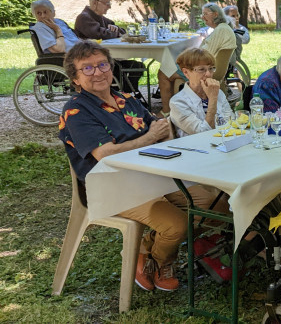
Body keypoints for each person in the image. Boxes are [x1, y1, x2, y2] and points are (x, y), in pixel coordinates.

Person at [58, 41, 227, 292]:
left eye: (102, 64)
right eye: (88, 69)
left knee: (218, 207)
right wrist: (148, 138)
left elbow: (163, 128)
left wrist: (164, 139)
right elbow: (104, 153)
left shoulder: (125, 99)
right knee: (177, 225)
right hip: (115, 185)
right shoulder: (76, 110)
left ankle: (146, 248)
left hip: (155, 174)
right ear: (75, 78)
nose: (98, 72)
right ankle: (162, 261)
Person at [157, 3, 236, 116]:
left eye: (205, 14)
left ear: (215, 14)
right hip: (210, 69)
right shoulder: (223, 28)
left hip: (204, 71)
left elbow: (205, 55)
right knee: (172, 70)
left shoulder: (221, 30)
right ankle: (177, 110)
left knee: (164, 72)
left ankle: (166, 111)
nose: (203, 17)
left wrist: (188, 55)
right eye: (202, 14)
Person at [74, 0, 144, 94]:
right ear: (95, 3)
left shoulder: (99, 17)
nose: (109, 7)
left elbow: (121, 31)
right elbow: (99, 34)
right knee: (132, 67)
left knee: (138, 66)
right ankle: (123, 95)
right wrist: (113, 32)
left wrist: (115, 30)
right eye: (107, 4)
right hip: (93, 60)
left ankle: (127, 95)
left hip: (106, 56)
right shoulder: (84, 18)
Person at [169, 48, 233, 137]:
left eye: (211, 68)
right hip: (196, 147)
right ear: (186, 72)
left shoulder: (218, 93)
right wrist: (213, 99)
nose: (208, 74)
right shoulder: (178, 102)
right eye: (201, 69)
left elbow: (231, 122)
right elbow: (203, 133)